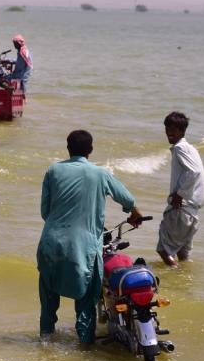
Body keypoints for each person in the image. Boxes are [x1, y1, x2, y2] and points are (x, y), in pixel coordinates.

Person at [37, 130, 144, 345]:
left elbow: (45, 212)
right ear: (91, 150)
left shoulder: (53, 171)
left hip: (50, 244)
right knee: (86, 301)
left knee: (49, 301)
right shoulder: (100, 173)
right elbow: (127, 198)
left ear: (68, 149)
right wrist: (133, 212)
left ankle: (45, 344)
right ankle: (85, 347)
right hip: (84, 247)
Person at [157, 112, 204, 267]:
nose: (169, 132)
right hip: (192, 211)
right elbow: (197, 173)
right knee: (182, 254)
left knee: (164, 251)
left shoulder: (180, 148)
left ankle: (174, 276)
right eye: (167, 128)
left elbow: (194, 172)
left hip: (181, 208)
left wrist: (180, 194)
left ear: (182, 130)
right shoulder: (191, 148)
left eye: (173, 129)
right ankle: (184, 282)